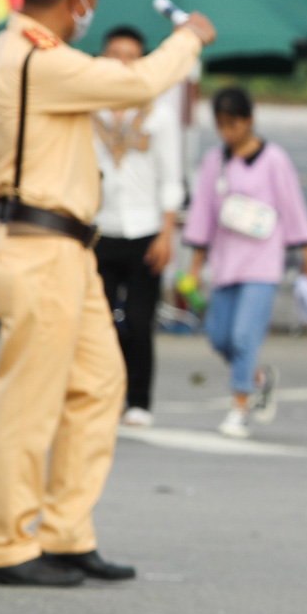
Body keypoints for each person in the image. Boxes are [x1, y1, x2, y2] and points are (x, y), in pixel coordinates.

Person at [0, 0, 212, 588]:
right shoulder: (32, 59)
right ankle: (5, 543)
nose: (93, 10)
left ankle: (63, 529)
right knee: (31, 402)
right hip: (39, 246)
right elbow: (133, 85)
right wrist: (188, 37)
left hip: (68, 248)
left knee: (101, 383)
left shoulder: (29, 51)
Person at [183, 85, 307, 440]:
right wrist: (195, 266)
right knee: (219, 336)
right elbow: (203, 215)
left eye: (234, 124)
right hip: (226, 261)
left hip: (262, 261)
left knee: (245, 335)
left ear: (249, 121)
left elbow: (292, 206)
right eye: (222, 125)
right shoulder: (216, 162)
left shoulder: (274, 159)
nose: (228, 132)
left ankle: (239, 407)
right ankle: (257, 378)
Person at [93, 28, 186, 424]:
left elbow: (171, 177)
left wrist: (167, 232)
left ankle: (139, 400)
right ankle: (102, 396)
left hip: (144, 227)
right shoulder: (87, 107)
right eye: (115, 55)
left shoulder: (158, 114)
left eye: (131, 56)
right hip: (99, 226)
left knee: (139, 319)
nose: (122, 63)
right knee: (98, 321)